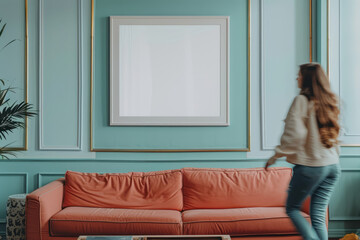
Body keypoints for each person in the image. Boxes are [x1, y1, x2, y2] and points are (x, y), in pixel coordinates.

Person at [265, 63, 341, 240]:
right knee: (318, 217)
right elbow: (336, 136)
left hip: (312, 167)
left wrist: (275, 156)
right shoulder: (329, 102)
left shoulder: (301, 100)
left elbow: (294, 135)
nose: (296, 78)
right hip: (333, 166)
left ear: (306, 79)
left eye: (299, 75)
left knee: (292, 208)